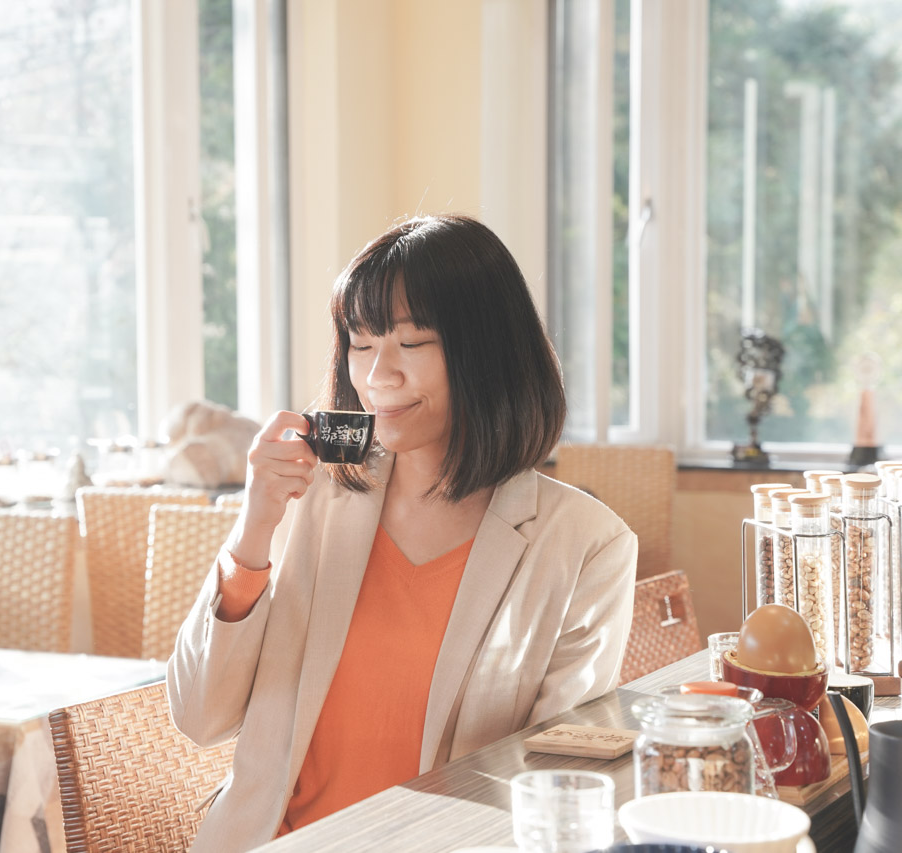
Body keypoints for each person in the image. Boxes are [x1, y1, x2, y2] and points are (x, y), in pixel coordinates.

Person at [168, 213, 637, 851]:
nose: (377, 375)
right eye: (361, 343)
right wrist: (253, 532)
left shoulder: (587, 546)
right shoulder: (313, 498)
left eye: (412, 343)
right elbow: (200, 718)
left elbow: (553, 781)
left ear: (489, 351)